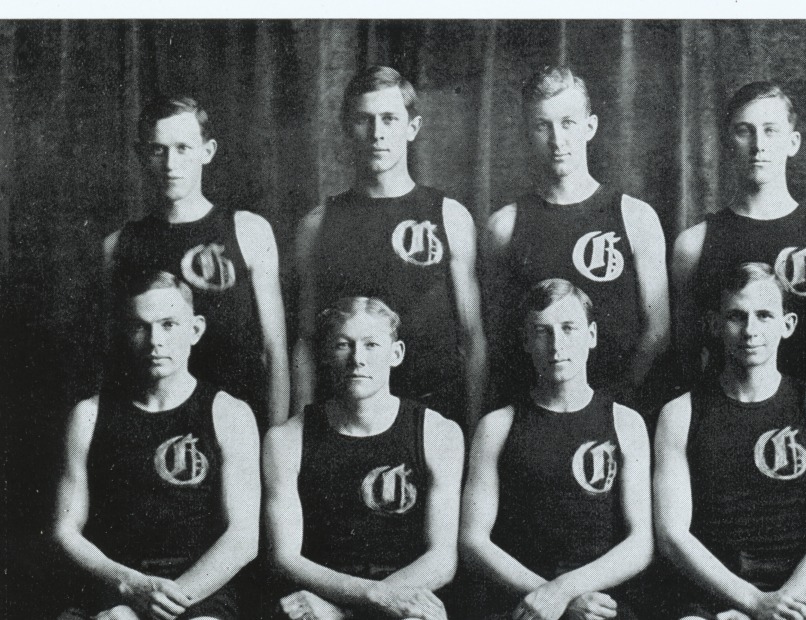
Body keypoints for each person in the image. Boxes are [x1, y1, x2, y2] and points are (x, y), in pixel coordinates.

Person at [53, 270, 261, 620]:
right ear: (124, 331)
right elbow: (65, 530)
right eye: (140, 326)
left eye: (168, 325)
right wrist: (128, 584)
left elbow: (243, 538)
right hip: (118, 583)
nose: (155, 341)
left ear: (195, 330)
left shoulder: (230, 413)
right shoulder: (88, 415)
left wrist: (164, 602)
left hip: (200, 587)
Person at [292, 65, 486, 432]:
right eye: (364, 120)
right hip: (346, 423)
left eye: (389, 119)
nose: (377, 133)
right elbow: (305, 342)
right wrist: (302, 433)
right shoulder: (317, 225)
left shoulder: (449, 217)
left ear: (412, 127)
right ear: (347, 128)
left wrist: (473, 432)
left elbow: (472, 338)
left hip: (433, 418)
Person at [654, 262, 806, 620]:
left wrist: (780, 604)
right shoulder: (679, 414)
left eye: (764, 315)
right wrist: (754, 603)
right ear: (715, 325)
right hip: (713, 594)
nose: (750, 330)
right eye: (736, 316)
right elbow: (672, 536)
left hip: (798, 592)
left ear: (787, 324)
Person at [461, 279, 653, 620]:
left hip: (600, 605)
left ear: (591, 335)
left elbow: (641, 544)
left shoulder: (626, 422)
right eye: (542, 331)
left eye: (568, 328)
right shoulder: (497, 426)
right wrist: (547, 597)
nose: (556, 344)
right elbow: (473, 541)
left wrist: (563, 592)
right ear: (526, 341)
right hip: (523, 603)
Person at [263, 296, 464, 620]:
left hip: (399, 604)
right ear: (326, 354)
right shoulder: (286, 439)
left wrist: (345, 612)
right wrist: (366, 600)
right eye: (344, 345)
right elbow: (285, 558)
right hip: (319, 601)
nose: (358, 359)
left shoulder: (439, 433)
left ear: (396, 353)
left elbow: (442, 560)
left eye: (371, 345)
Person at [483, 65, 669, 409]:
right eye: (543, 126)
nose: (557, 140)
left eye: (568, 123)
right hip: (536, 413)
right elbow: (497, 339)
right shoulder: (504, 226)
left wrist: (607, 409)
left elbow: (657, 332)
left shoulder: (635, 217)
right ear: (527, 133)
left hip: (617, 411)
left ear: (590, 126)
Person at [105, 95, 290, 429]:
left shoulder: (248, 231)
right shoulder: (119, 246)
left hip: (240, 430)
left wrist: (274, 441)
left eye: (183, 148)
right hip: (156, 428)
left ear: (207, 151)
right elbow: (114, 359)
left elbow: (274, 351)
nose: (170, 164)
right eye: (158, 150)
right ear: (141, 155)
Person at [671, 81, 806, 397]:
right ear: (728, 143)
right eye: (744, 131)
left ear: (793, 142)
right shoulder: (693, 244)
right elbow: (685, 358)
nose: (758, 144)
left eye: (771, 131)